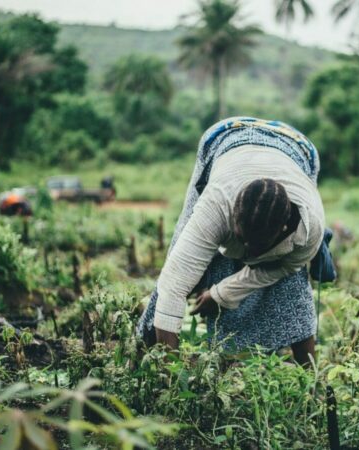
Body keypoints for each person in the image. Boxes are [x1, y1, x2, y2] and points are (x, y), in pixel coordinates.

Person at [136, 117, 325, 366]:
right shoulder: (217, 204)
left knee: (292, 285)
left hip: (298, 148)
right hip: (226, 138)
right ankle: (146, 348)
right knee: (179, 256)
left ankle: (311, 381)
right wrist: (170, 373)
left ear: (283, 229)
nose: (246, 253)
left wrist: (221, 294)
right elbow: (174, 284)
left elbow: (284, 268)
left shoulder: (309, 229)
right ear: (232, 216)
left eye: (255, 247)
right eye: (241, 239)